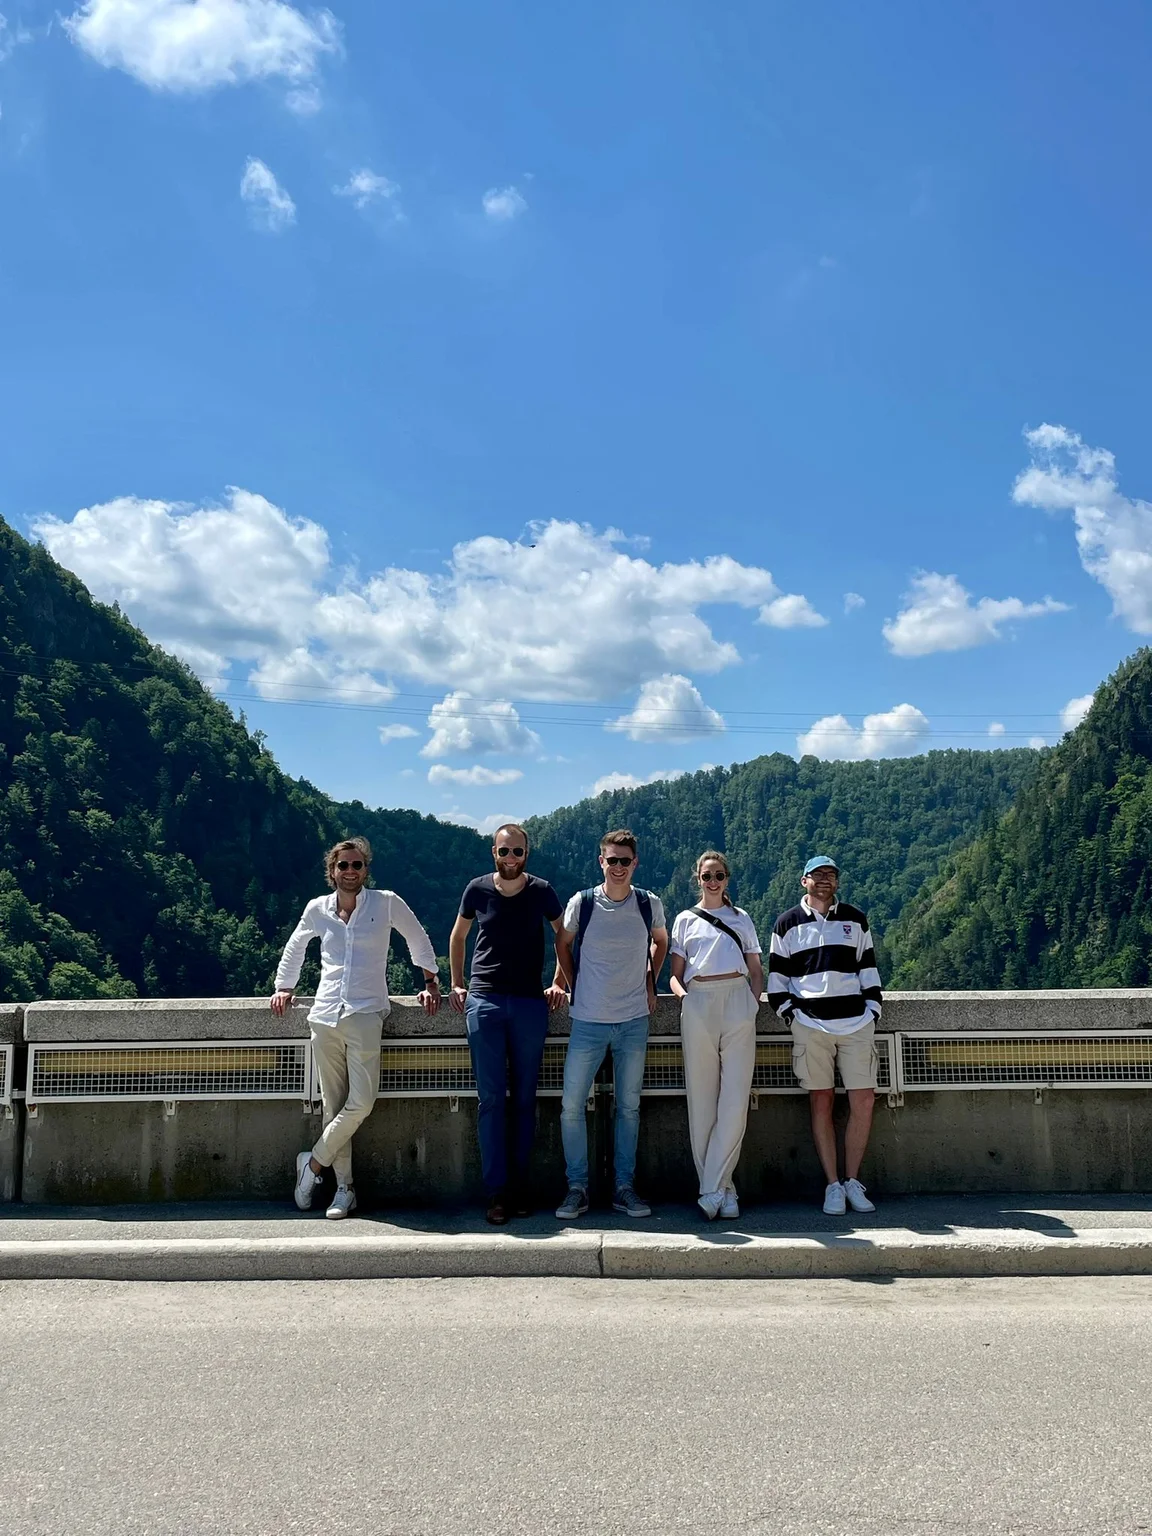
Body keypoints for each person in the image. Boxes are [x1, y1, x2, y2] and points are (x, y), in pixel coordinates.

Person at [272, 837, 441, 1219]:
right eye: (343, 866)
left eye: (357, 865)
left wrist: (430, 981)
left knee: (361, 1101)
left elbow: (416, 936)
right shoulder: (318, 909)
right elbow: (296, 945)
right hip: (324, 1012)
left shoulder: (385, 903)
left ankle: (312, 1163)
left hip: (365, 1011)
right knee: (333, 1107)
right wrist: (285, 986)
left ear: (366, 870)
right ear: (331, 871)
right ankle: (344, 1190)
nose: (350, 872)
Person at [449, 824, 567, 1226]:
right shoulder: (477, 889)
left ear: (527, 853)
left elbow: (563, 937)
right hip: (484, 1000)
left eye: (517, 852)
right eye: (504, 852)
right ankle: (497, 1192)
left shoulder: (542, 891)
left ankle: (519, 1188)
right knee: (491, 1101)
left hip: (530, 1002)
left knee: (524, 1100)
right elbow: (458, 935)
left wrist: (558, 981)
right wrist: (457, 984)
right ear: (493, 853)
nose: (511, 859)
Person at [552, 829, 668, 1220]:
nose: (618, 867)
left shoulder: (648, 903)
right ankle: (577, 1188)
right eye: (611, 860)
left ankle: (623, 1187)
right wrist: (573, 984)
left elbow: (661, 942)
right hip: (587, 1018)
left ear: (635, 863)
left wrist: (651, 979)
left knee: (629, 1107)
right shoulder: (582, 903)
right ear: (600, 862)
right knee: (570, 1105)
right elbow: (562, 943)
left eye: (625, 860)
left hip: (634, 1017)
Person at [767, 855, 883, 1216]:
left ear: (837, 882)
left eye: (830, 875)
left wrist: (872, 1011)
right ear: (803, 881)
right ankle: (833, 1185)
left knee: (863, 1100)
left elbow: (868, 968)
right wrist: (793, 1017)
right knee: (822, 1101)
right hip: (811, 1025)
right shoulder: (786, 923)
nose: (824, 881)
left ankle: (852, 1181)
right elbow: (777, 982)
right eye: (817, 875)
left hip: (855, 1024)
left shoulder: (855, 919)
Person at [669, 851, 764, 1220]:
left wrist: (752, 1003)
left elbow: (757, 968)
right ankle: (723, 1188)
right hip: (699, 1002)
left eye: (719, 875)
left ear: (727, 879)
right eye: (707, 875)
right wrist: (686, 999)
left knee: (735, 1100)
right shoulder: (684, 920)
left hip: (738, 999)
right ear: (698, 878)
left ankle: (711, 1188)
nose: (713, 881)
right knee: (702, 1101)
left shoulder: (741, 919)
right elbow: (675, 974)